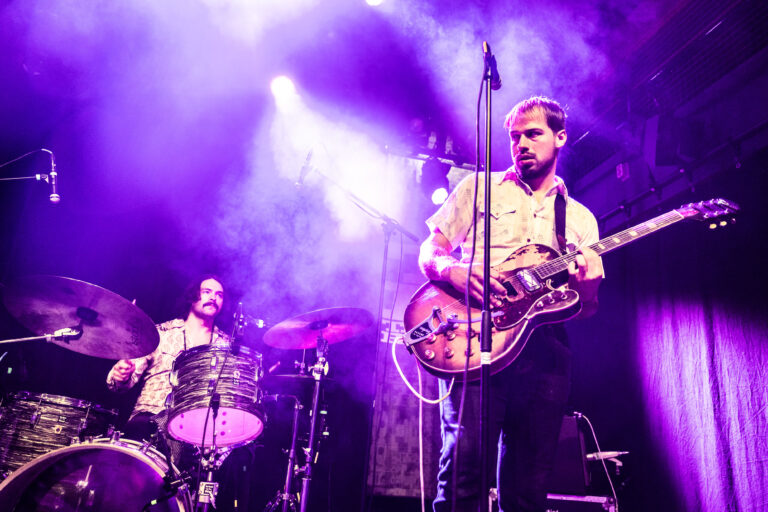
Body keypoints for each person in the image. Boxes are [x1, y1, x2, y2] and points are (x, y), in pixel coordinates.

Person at [418, 96, 603, 511]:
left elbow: (587, 308)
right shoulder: (477, 188)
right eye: (515, 137)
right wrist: (450, 269)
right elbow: (430, 249)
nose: (521, 144)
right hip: (477, 339)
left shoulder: (580, 219)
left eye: (533, 134)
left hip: (544, 351)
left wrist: (588, 290)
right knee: (463, 475)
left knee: (528, 488)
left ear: (560, 137)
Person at [106, 275, 229, 441]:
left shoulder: (226, 346)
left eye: (219, 295)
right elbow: (120, 384)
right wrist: (121, 375)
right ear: (192, 296)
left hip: (198, 428)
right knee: (141, 427)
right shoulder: (161, 334)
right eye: (207, 292)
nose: (213, 297)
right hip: (150, 418)